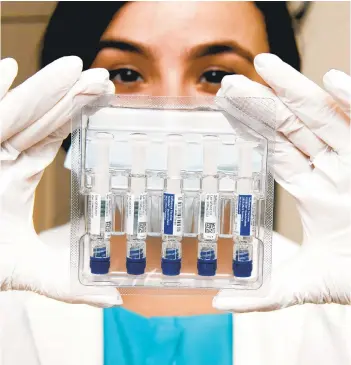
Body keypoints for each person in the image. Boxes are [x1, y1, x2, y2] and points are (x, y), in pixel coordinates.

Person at [0, 2, 350, 365]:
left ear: (281, 99)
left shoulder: (337, 295)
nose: (170, 114)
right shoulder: (10, 279)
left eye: (215, 76)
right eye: (125, 74)